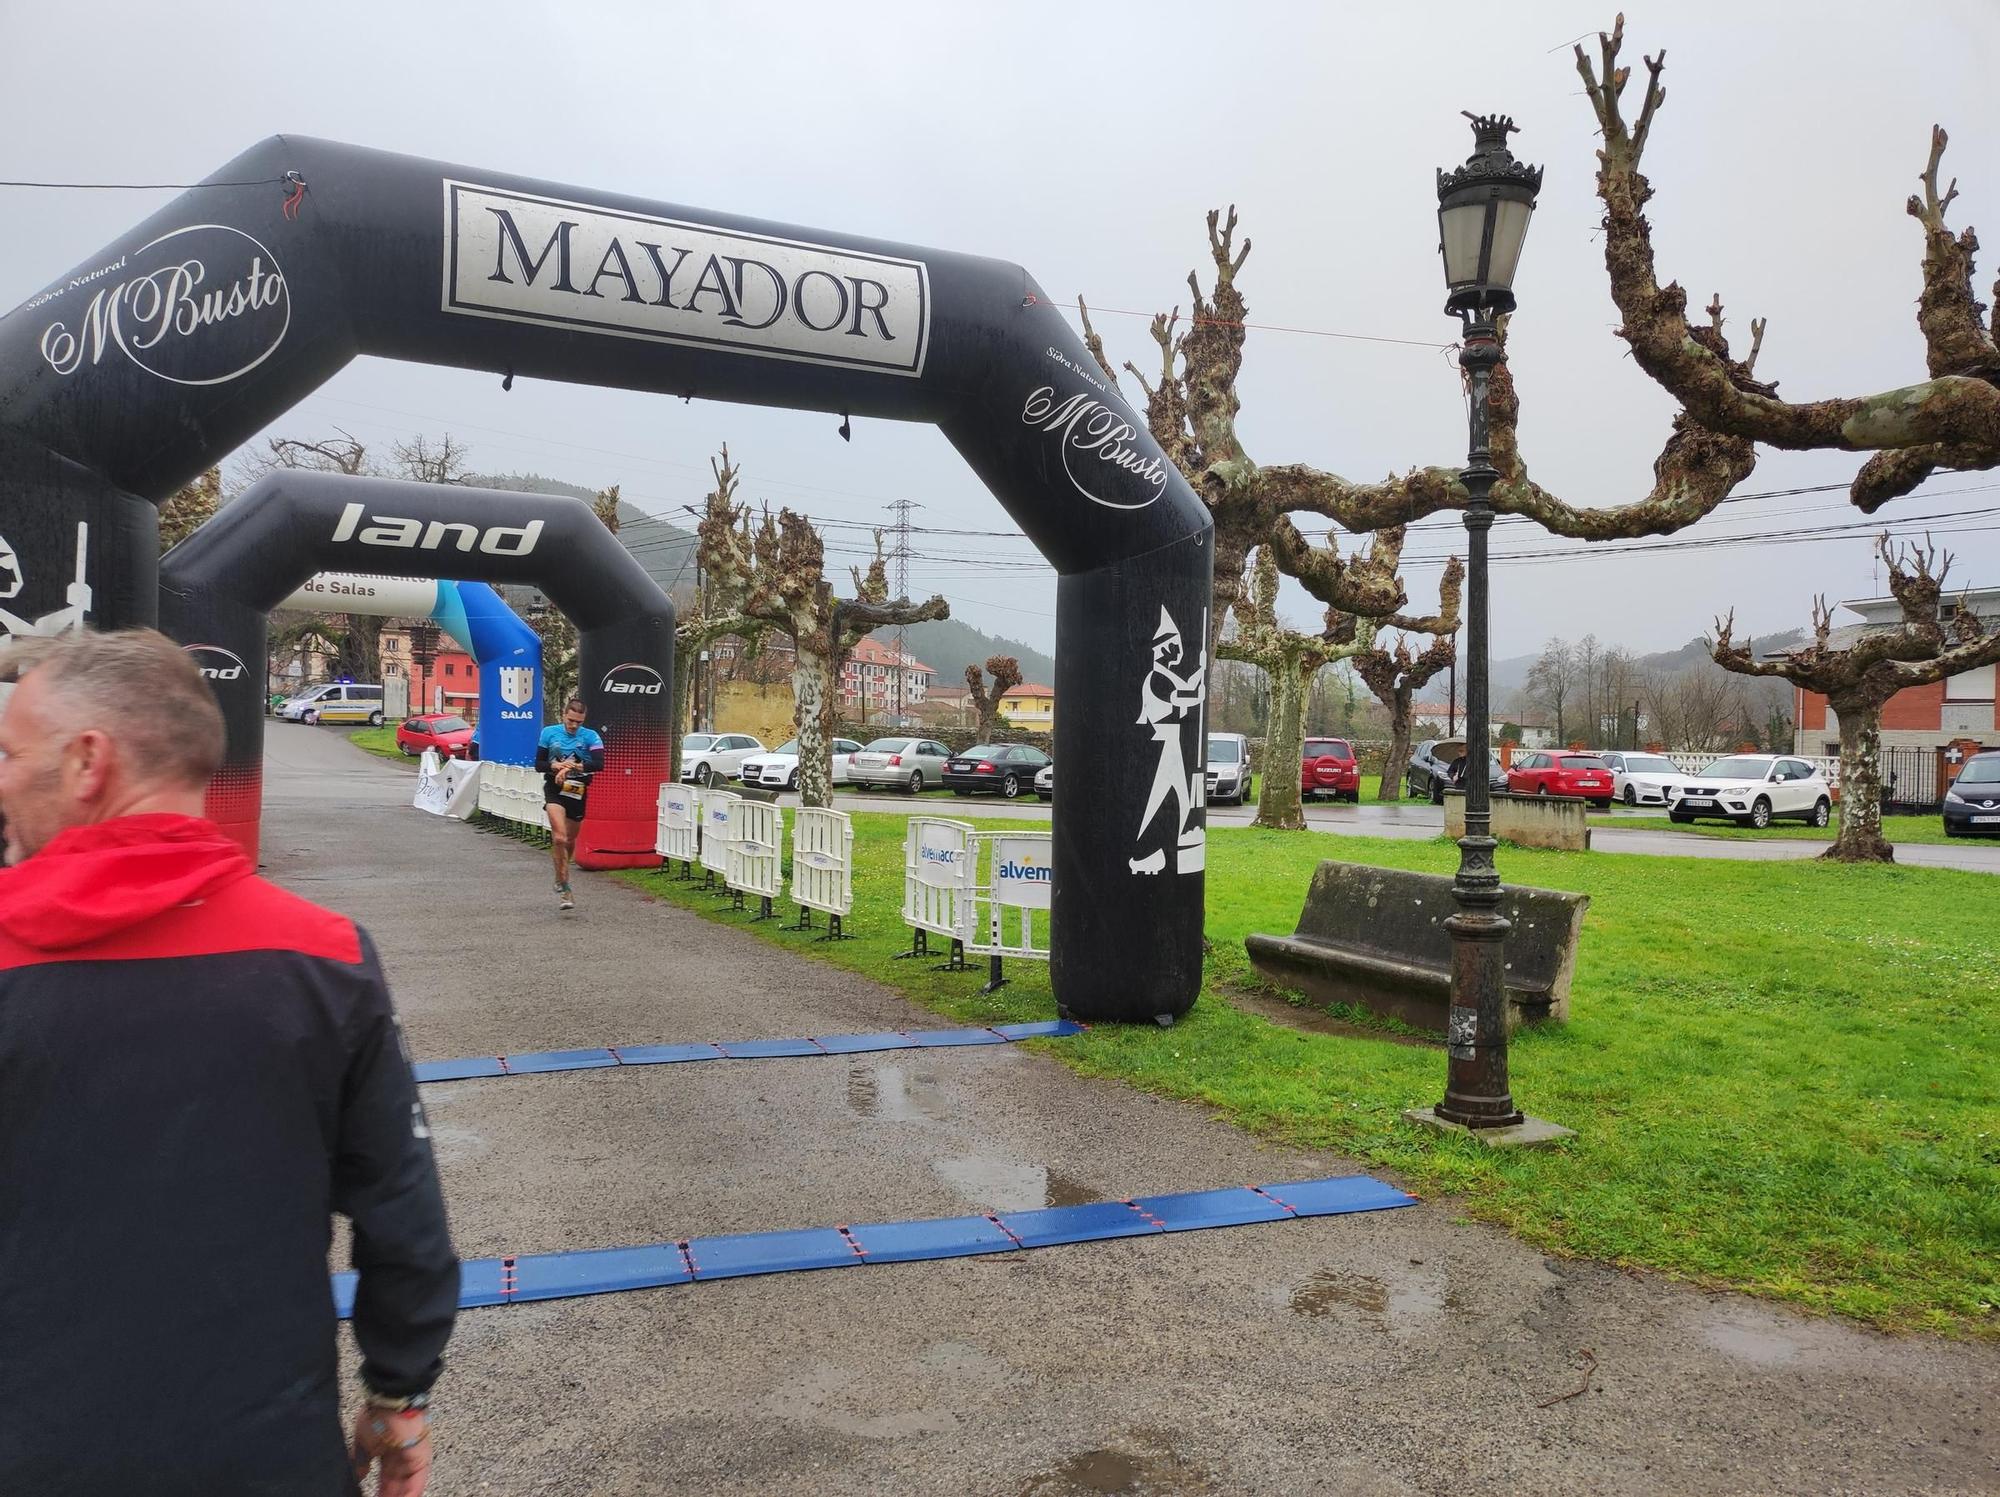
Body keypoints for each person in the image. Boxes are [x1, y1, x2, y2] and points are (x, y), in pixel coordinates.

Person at [0, 630, 458, 1497]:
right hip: (264, 1454)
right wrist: (397, 1396)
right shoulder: (327, 958)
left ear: (87, 762)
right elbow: (406, 1222)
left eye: (10, 753)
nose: (0, 779)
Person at [536, 694, 604, 911]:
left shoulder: (590, 736)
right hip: (555, 789)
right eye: (570, 720)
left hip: (577, 789)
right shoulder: (549, 733)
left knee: (569, 840)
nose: (574, 725)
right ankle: (565, 886)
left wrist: (570, 767)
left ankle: (560, 874)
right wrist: (555, 767)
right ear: (564, 715)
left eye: (579, 722)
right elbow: (538, 764)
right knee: (559, 837)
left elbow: (599, 764)